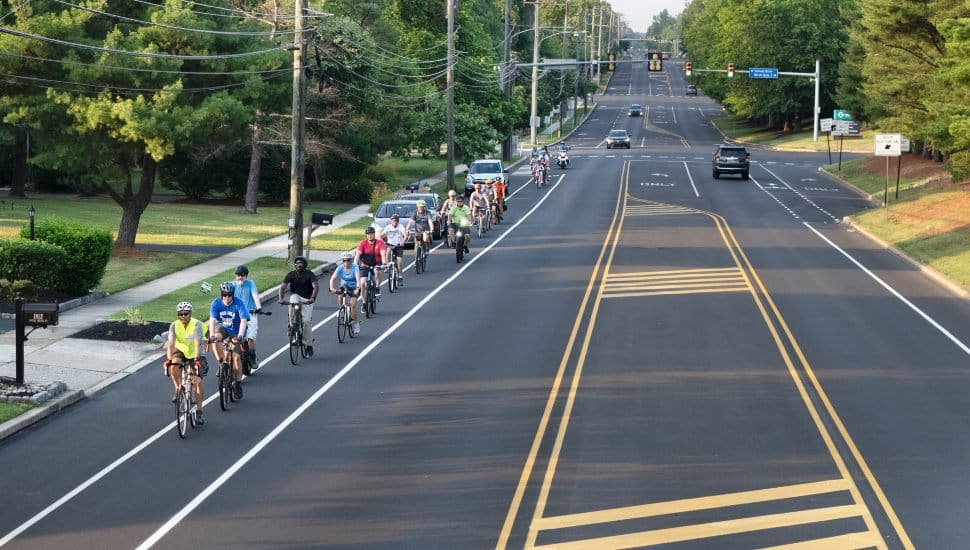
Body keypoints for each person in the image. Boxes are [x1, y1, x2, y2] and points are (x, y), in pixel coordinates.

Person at [165, 302, 208, 424]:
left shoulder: (197, 325)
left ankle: (199, 411)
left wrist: (196, 359)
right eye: (180, 314)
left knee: (197, 381)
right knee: (174, 364)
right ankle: (178, 388)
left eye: (186, 314)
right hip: (181, 351)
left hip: (195, 353)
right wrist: (169, 359)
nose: (183, 316)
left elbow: (197, 344)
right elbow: (171, 344)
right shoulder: (174, 325)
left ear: (190, 314)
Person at [209, 282, 250, 400]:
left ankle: (237, 384)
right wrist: (212, 335)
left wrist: (240, 335)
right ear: (221, 295)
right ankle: (221, 363)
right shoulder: (216, 303)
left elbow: (243, 320)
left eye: (229, 295)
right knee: (215, 339)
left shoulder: (239, 303)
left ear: (233, 295)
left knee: (236, 358)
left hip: (237, 332)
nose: (227, 297)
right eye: (224, 295)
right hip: (223, 329)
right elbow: (212, 321)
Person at [278, 256, 318, 357]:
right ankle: (291, 325)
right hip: (296, 298)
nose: (298, 265)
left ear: (304, 265)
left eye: (301, 263)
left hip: (307, 300)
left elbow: (316, 286)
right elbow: (282, 287)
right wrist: (281, 299)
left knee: (306, 322)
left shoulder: (310, 274)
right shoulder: (291, 275)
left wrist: (312, 298)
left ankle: (308, 345)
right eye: (297, 263)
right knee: (293, 299)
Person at [233, 264, 262, 368]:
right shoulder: (232, 285)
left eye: (242, 275)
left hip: (250, 314)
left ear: (246, 276)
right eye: (238, 275)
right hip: (237, 315)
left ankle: (253, 357)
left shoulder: (250, 283)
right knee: (232, 338)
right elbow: (225, 297)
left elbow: (255, 295)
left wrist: (258, 307)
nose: (240, 277)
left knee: (250, 338)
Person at [329, 251, 361, 335]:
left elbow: (358, 279)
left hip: (354, 287)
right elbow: (332, 278)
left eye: (348, 260)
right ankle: (342, 310)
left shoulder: (355, 267)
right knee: (340, 294)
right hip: (344, 286)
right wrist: (332, 288)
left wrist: (357, 288)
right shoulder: (340, 268)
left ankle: (355, 323)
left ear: (351, 260)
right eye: (344, 260)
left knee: (353, 305)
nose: (346, 262)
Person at [355, 226, 386, 306]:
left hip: (376, 264)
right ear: (366, 235)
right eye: (368, 234)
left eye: (371, 234)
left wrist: (384, 263)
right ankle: (364, 303)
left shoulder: (380, 243)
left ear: (374, 234)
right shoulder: (363, 243)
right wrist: (355, 265)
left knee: (376, 270)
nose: (370, 236)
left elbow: (383, 254)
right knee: (362, 284)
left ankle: (377, 288)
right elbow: (358, 254)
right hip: (365, 265)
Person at [381, 214, 408, 287]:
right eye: (393, 221)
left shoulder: (401, 226)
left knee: (399, 261)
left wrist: (403, 241)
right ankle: (387, 266)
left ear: (398, 221)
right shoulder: (388, 227)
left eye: (396, 221)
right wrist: (382, 239)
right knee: (388, 252)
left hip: (398, 245)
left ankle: (400, 277)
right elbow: (382, 234)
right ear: (391, 221)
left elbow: (405, 234)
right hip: (390, 244)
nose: (394, 222)